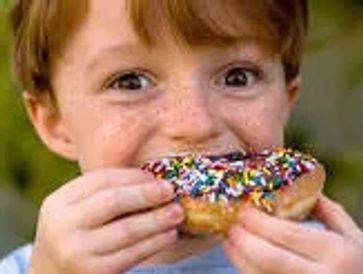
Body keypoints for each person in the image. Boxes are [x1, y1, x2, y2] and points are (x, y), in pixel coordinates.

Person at [1, 0, 363, 273]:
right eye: (130, 82)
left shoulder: (330, 262)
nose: (195, 124)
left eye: (238, 76)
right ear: (55, 123)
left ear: (286, 99)